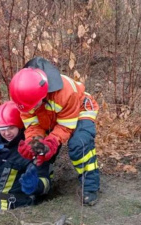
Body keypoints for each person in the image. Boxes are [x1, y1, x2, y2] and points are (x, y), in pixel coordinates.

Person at [9, 57, 100, 206]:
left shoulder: (65, 92)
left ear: (43, 94)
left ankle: (90, 187)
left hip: (79, 110)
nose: (31, 109)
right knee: (41, 151)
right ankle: (42, 187)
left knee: (79, 144)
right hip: (50, 116)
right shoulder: (24, 98)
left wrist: (52, 142)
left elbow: (65, 127)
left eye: (33, 105)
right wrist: (35, 142)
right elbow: (32, 126)